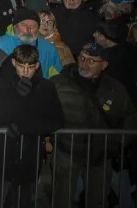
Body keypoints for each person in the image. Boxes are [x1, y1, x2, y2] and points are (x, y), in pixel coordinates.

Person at [46, 42, 137, 208]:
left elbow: (129, 118)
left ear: (104, 65)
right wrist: (51, 138)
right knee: (61, 198)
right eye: (82, 58)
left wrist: (116, 144)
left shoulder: (115, 89)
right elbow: (44, 112)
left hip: (100, 155)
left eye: (91, 61)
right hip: (66, 152)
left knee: (97, 200)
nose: (84, 63)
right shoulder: (58, 83)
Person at [0, 44, 65, 208]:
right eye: (22, 66)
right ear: (14, 62)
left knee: (24, 200)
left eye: (30, 67)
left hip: (29, 154)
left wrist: (25, 126)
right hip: (2, 154)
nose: (25, 71)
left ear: (36, 65)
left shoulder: (46, 87)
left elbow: (56, 120)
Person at [0, 7, 63, 79]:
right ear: (15, 26)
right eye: (24, 25)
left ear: (38, 28)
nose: (28, 30)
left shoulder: (48, 49)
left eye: (33, 26)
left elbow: (57, 79)